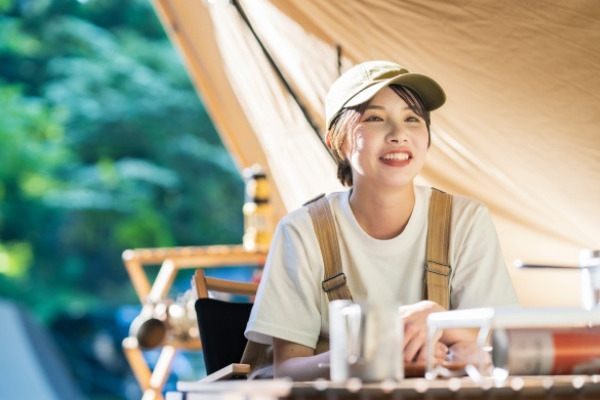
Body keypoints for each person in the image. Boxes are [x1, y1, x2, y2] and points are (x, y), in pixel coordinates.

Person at [244, 60, 520, 380]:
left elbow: (503, 342)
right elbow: (287, 369)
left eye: (412, 118)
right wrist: (372, 352)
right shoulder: (302, 231)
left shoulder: (465, 220)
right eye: (375, 118)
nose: (399, 134)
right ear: (337, 142)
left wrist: (439, 319)